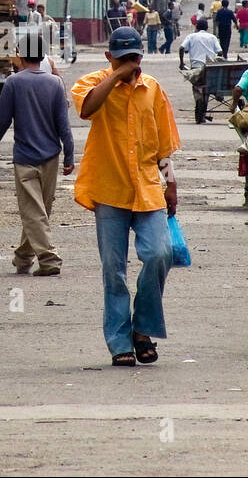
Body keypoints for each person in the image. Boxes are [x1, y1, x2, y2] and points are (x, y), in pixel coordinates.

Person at [71, 27, 181, 367]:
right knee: (113, 271)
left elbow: (164, 145)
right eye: (123, 59)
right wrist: (116, 75)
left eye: (135, 58)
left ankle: (142, 328)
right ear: (110, 58)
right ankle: (120, 342)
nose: (131, 65)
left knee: (159, 253)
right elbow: (87, 108)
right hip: (109, 189)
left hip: (148, 187)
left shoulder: (153, 90)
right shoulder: (90, 84)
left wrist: (172, 184)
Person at [0, 32, 76, 276]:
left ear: (21, 55)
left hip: (25, 158)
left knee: (34, 212)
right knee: (38, 211)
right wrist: (69, 155)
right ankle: (23, 258)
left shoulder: (14, 83)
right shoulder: (55, 83)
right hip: (51, 158)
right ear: (43, 55)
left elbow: (1, 120)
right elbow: (63, 125)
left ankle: (49, 260)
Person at [178, 18, 222, 98]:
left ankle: (198, 100)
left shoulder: (191, 36)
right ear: (207, 28)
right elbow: (220, 52)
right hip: (210, 67)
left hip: (196, 68)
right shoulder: (212, 37)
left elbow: (182, 48)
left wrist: (181, 63)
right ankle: (215, 93)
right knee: (211, 82)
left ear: (196, 27)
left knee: (196, 84)